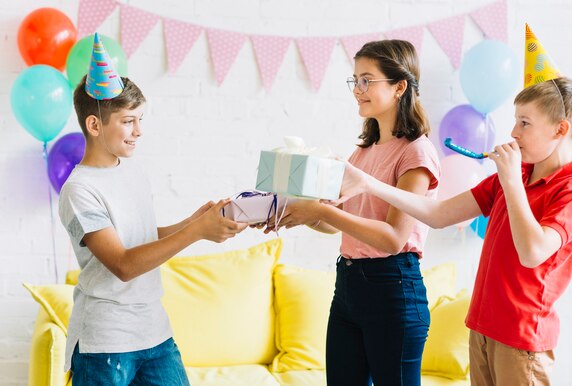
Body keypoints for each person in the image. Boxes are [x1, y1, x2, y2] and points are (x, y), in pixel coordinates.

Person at [332, 26, 572, 386]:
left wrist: (512, 183)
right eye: (515, 120)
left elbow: (533, 252)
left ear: (560, 129)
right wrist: (369, 184)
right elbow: (438, 215)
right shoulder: (513, 174)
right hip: (483, 328)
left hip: (523, 339)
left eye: (525, 123)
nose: (513, 132)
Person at [58, 33, 247, 385]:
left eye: (140, 119)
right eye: (128, 121)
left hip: (154, 333)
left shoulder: (132, 171)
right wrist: (196, 232)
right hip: (105, 343)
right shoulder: (79, 190)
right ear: (95, 125)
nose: (139, 131)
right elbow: (124, 264)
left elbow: (138, 238)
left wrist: (193, 221)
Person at [264, 40, 440, 386]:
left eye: (367, 80)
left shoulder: (416, 154)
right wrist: (298, 211)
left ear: (399, 86)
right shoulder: (363, 152)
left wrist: (321, 212)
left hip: (393, 288)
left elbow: (392, 239)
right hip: (348, 288)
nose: (357, 90)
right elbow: (335, 223)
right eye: (355, 80)